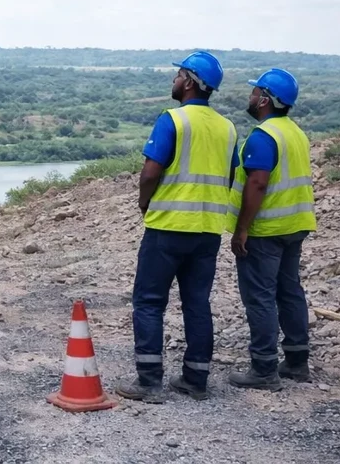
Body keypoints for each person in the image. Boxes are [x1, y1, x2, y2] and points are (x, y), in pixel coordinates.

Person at [116, 51, 239, 403]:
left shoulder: (173, 120)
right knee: (197, 303)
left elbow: (150, 173)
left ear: (189, 82)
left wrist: (145, 203)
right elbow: (230, 176)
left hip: (168, 227)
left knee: (149, 302)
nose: (174, 80)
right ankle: (195, 380)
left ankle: (149, 382)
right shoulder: (228, 128)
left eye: (178, 75)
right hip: (208, 231)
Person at [228, 68, 316, 390]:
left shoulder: (263, 136)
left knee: (260, 297)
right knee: (289, 291)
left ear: (265, 100)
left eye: (255, 92)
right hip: (295, 225)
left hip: (266, 230)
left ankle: (264, 369)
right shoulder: (295, 132)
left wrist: (242, 229)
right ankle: (297, 361)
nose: (250, 96)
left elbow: (258, 183)